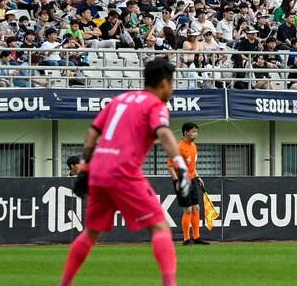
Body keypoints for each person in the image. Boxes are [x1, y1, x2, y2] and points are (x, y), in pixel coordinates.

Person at [61, 57, 194, 286]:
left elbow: (93, 132)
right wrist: (181, 166)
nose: (172, 90)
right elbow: (163, 133)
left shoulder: (120, 99)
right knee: (160, 227)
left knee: (91, 233)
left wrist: (84, 167)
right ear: (164, 83)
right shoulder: (155, 104)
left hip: (98, 171)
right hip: (123, 172)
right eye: (172, 84)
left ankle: (64, 283)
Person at [174, 122, 208, 245]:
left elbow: (192, 166)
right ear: (186, 132)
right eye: (193, 131)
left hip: (193, 179)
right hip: (183, 181)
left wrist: (198, 177)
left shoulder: (193, 146)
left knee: (196, 208)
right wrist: (176, 181)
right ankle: (186, 239)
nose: (196, 134)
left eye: (196, 131)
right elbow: (170, 167)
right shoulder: (178, 147)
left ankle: (197, 237)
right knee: (187, 210)